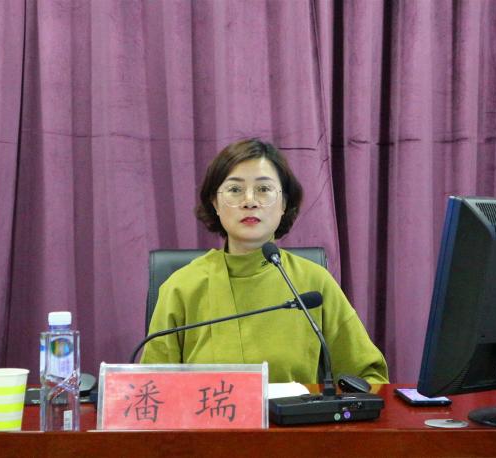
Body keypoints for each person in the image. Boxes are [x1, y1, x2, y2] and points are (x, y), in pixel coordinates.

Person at [141, 139, 389, 384]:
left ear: (283, 204)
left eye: (263, 189)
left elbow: (369, 377)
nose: (250, 201)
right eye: (235, 190)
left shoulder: (314, 283)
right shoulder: (181, 287)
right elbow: (152, 388)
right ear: (215, 203)